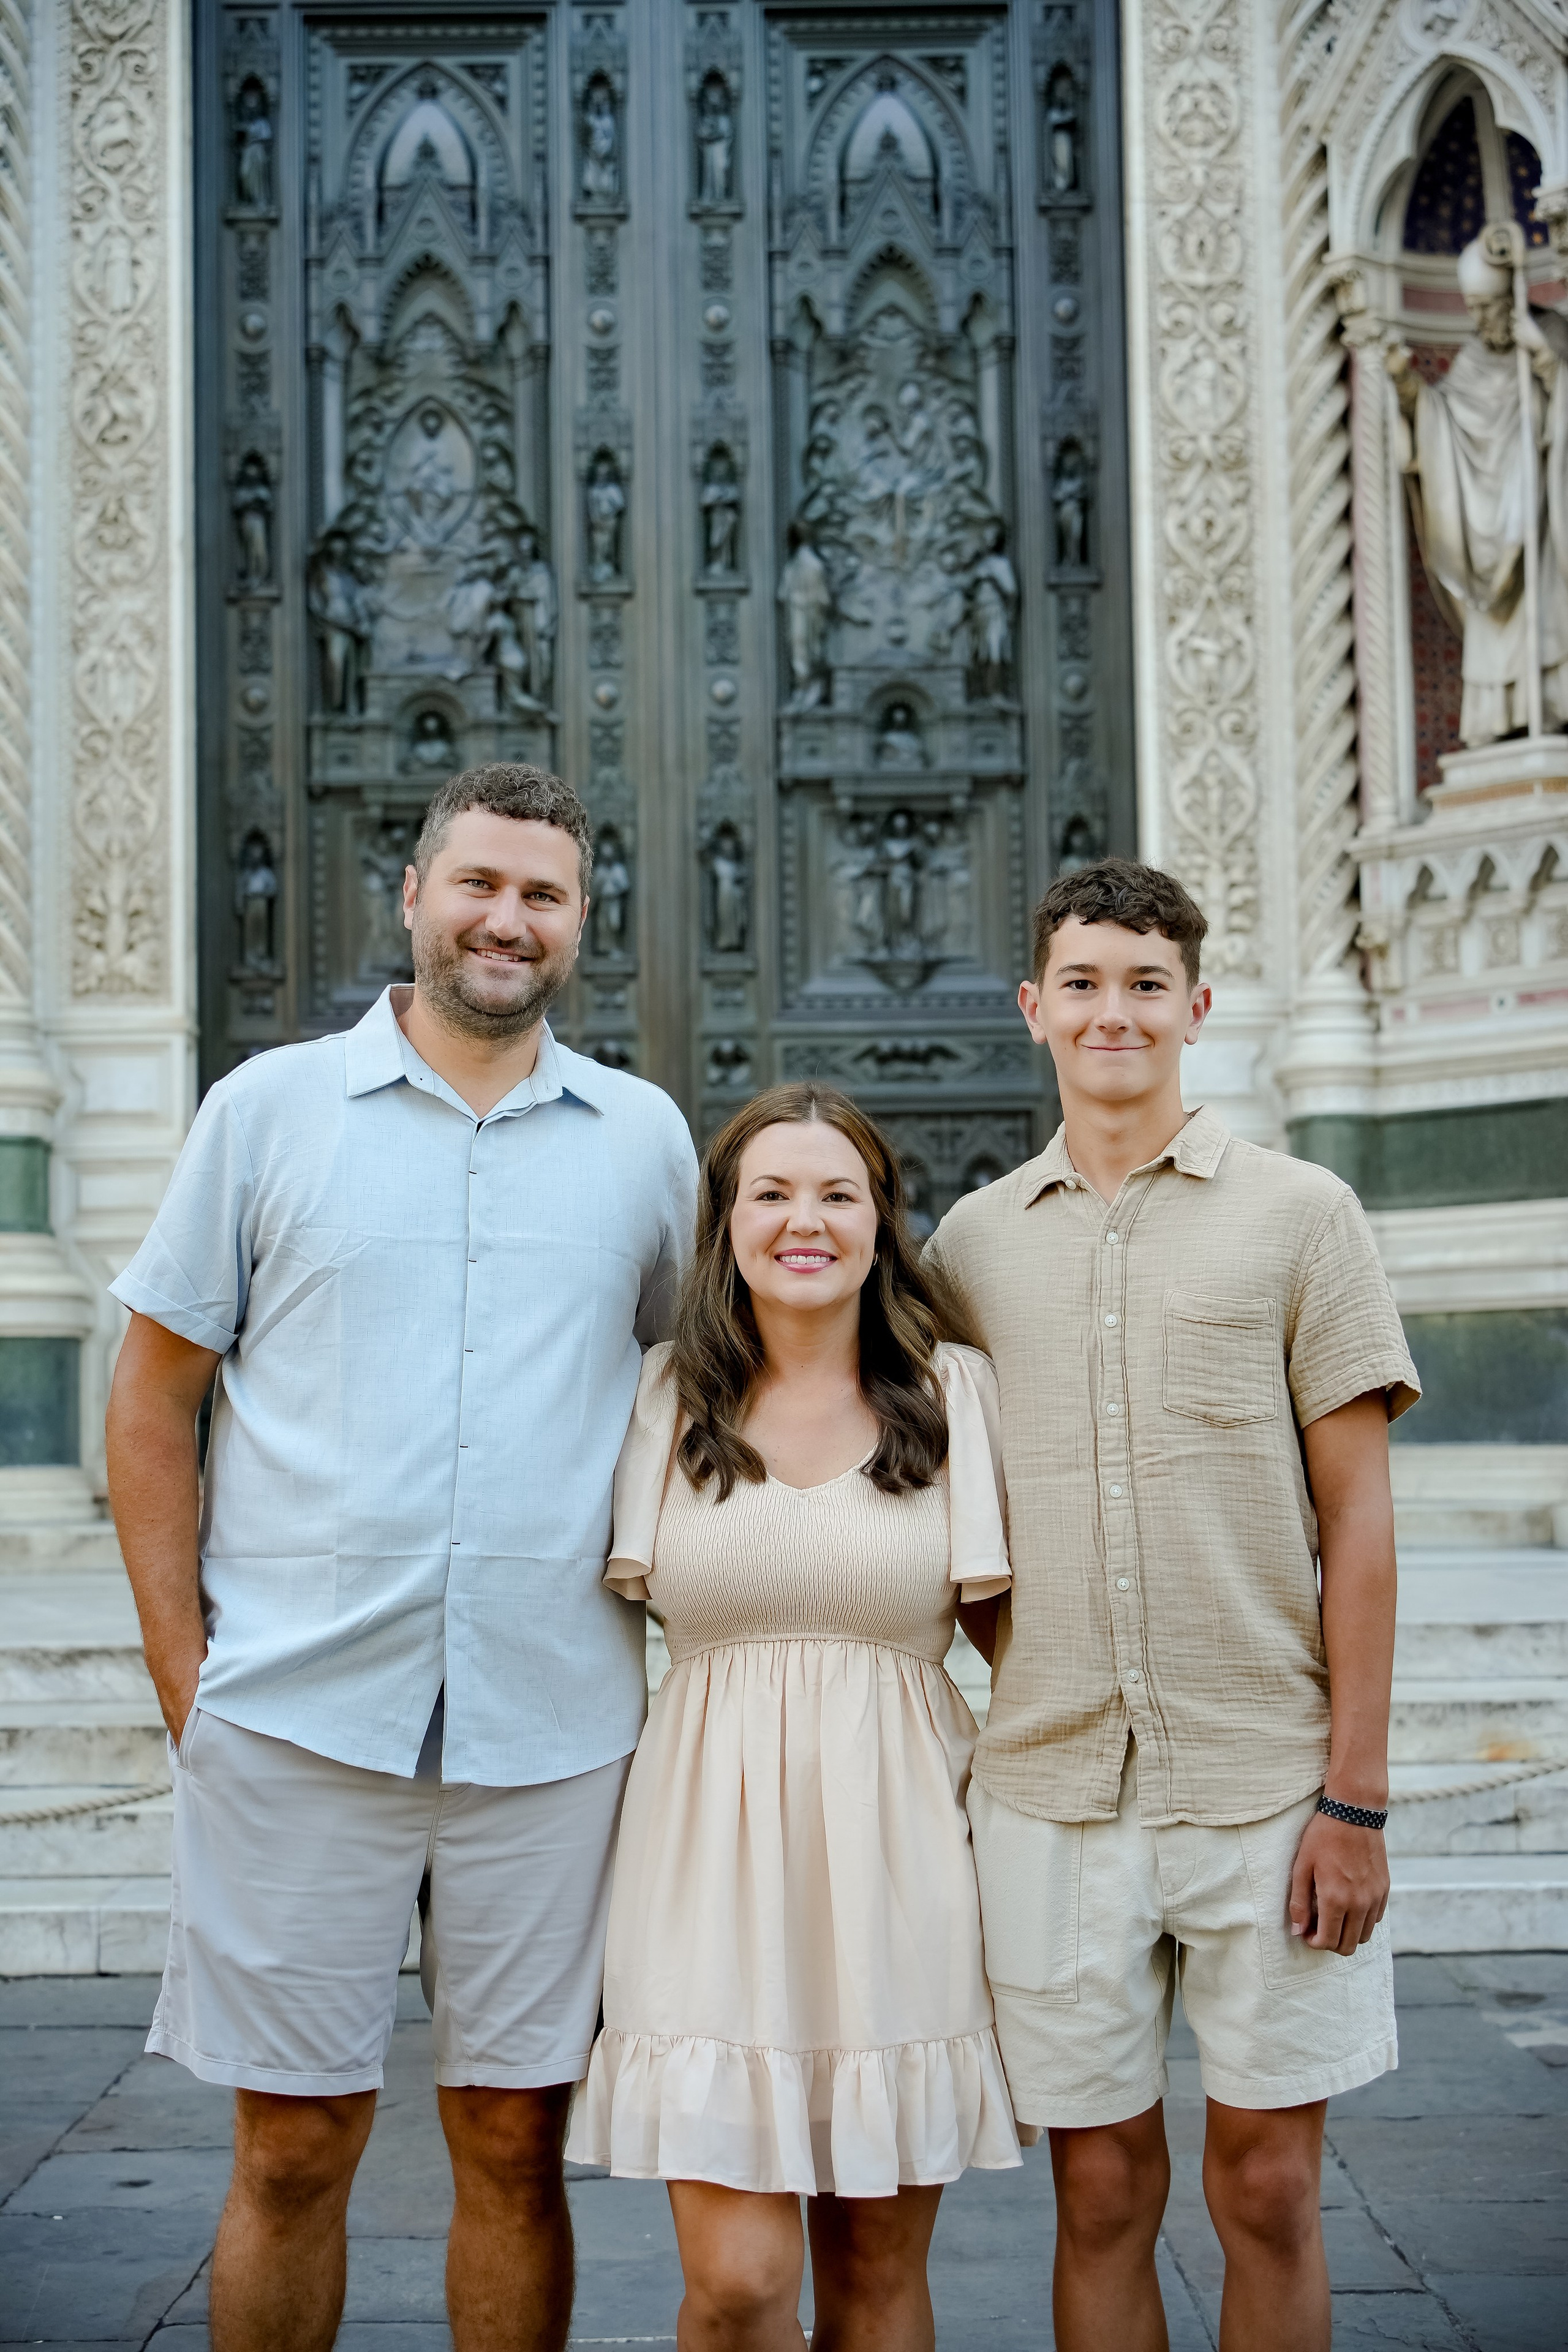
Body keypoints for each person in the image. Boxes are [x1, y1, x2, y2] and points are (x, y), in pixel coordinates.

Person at [105, 764, 698, 2352]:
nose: (508, 920)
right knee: (294, 2148)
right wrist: (190, 1685)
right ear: (419, 894)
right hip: (297, 1717)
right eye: (481, 885)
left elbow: (688, 1402)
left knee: (516, 2147)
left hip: (555, 1729)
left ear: (583, 923)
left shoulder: (646, 1142)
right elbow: (154, 1401)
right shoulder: (266, 1115)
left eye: (544, 895)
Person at [923, 858, 1420, 2352]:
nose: (1112, 1011)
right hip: (1054, 1797)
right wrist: (1034, 1668)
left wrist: (1357, 1798)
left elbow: (1358, 1518)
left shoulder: (1300, 1214)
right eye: (1080, 983)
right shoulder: (968, 1246)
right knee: (1098, 2191)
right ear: (1033, 1010)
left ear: (1196, 1007)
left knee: (1266, 2184)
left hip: (1267, 1788)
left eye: (1145, 985)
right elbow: (961, 1524)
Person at [568, 1084, 1023, 2350]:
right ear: (723, 1224)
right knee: (739, 2284)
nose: (804, 1220)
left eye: (838, 1192)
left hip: (904, 1857)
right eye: (770, 1192)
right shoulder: (664, 1395)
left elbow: (1017, 1644)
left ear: (883, 1219)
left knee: (877, 2282)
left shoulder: (955, 1393)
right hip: (703, 1861)